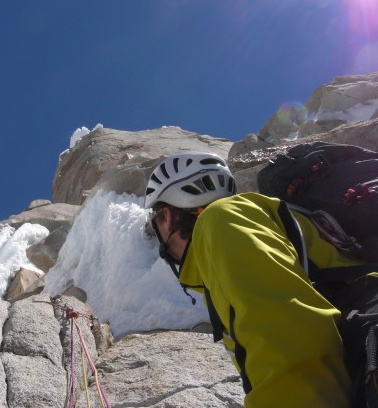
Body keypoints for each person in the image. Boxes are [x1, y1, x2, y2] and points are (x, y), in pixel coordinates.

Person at [144, 150, 360, 407]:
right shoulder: (248, 223)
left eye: (156, 220)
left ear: (166, 218)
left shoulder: (223, 220)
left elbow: (289, 341)